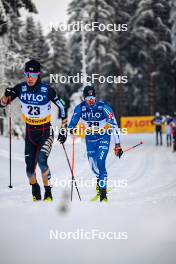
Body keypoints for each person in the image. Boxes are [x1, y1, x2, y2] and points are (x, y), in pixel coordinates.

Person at [0, 60, 67, 202]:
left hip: (45, 131)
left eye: (32, 74)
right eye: (27, 74)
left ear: (38, 75)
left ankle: (48, 192)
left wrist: (63, 129)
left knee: (42, 161)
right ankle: (35, 187)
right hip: (30, 132)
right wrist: (6, 95)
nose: (29, 78)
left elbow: (62, 106)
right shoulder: (20, 88)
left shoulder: (47, 90)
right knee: (29, 170)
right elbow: (2, 104)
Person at [68, 85, 123, 202]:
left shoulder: (103, 107)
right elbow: (72, 123)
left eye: (93, 98)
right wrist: (69, 129)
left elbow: (114, 125)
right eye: (88, 99)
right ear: (84, 99)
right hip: (90, 138)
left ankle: (103, 194)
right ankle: (100, 182)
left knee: (100, 161)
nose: (91, 101)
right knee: (93, 166)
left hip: (104, 136)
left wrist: (117, 145)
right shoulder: (80, 108)